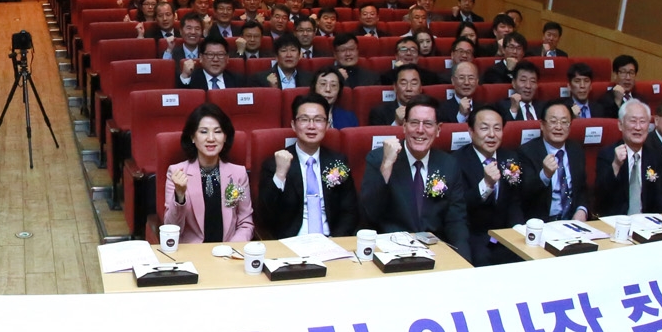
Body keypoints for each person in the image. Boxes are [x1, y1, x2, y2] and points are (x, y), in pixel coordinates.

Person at [357, 99, 470, 260]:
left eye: (428, 124)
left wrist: (463, 260)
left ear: (438, 129)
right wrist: (387, 165)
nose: (420, 130)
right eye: (414, 123)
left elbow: (456, 220)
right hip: (390, 251)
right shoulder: (379, 158)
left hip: (435, 251)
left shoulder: (448, 164)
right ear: (404, 126)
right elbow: (370, 214)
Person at [255, 94, 356, 239]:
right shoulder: (273, 163)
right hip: (291, 242)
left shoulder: (337, 162)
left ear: (327, 125)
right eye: (304, 119)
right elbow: (264, 216)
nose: (311, 126)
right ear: (293, 125)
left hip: (331, 241)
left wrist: (338, 240)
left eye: (318, 120)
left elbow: (349, 211)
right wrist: (280, 175)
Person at [162, 103, 253, 244]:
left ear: (225, 137)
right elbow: (171, 229)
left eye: (217, 131)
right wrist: (179, 195)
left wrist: (232, 250)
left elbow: (245, 223)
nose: (211, 138)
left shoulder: (238, 173)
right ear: (192, 137)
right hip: (193, 255)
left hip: (229, 253)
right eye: (203, 132)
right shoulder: (176, 172)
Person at [455, 106, 526, 265]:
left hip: (505, 234)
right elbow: (458, 206)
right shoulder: (456, 161)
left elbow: (514, 201)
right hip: (473, 236)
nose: (492, 135)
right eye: (485, 128)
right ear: (471, 131)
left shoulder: (510, 158)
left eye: (497, 128)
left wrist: (518, 229)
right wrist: (486, 185)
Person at [594, 100, 662, 217]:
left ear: (649, 126)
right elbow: (600, 198)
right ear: (620, 125)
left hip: (646, 223)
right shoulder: (608, 155)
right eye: (633, 121)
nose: (638, 127)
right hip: (616, 222)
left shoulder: (654, 155)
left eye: (642, 122)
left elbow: (661, 195)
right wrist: (616, 165)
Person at [520, 100, 589, 222]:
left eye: (564, 122)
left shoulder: (576, 150)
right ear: (542, 125)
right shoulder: (527, 152)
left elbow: (582, 189)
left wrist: (582, 210)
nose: (558, 127)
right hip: (542, 223)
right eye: (553, 121)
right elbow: (523, 195)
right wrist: (544, 175)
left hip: (572, 221)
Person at [175, 34, 241, 91]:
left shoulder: (237, 81)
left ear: (227, 58)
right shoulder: (191, 80)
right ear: (201, 58)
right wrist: (185, 76)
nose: (215, 59)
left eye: (220, 55)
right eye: (210, 54)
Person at [594, 55, 641, 119]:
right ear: (615, 75)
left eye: (631, 73)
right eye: (623, 72)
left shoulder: (641, 99)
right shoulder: (605, 101)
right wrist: (618, 102)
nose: (628, 78)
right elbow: (608, 124)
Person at [436, 61, 484, 125]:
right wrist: (462, 115)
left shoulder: (484, 108)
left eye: (471, 78)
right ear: (453, 81)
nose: (466, 82)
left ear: (477, 81)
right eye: (461, 78)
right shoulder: (441, 109)